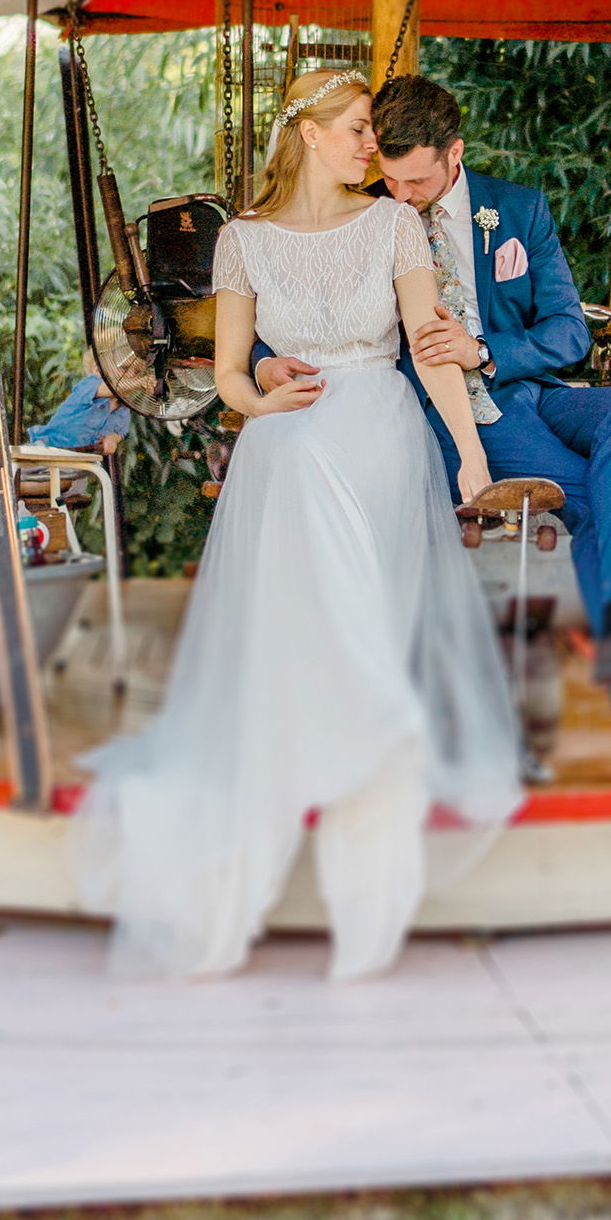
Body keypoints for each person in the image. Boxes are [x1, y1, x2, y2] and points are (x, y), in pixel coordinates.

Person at [74, 69, 521, 981]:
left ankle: (368, 889)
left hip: (383, 442)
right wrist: (261, 395)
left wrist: (472, 460)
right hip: (288, 450)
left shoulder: (396, 225)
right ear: (310, 135)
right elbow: (232, 375)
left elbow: (430, 345)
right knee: (297, 647)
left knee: (372, 637)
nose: (373, 144)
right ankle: (287, 836)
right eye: (358, 128)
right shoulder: (241, 242)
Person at [258, 74, 611, 789]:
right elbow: (298, 304)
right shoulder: (369, 218)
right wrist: (263, 363)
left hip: (527, 387)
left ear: (455, 154)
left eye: (417, 180)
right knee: (601, 506)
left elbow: (568, 332)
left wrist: (490, 353)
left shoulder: (518, 210)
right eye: (390, 177)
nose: (403, 195)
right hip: (455, 416)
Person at [28, 348, 131, 456]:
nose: (131, 375)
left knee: (94, 471)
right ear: (98, 371)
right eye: (124, 369)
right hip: (49, 447)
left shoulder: (123, 407)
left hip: (81, 455)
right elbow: (112, 389)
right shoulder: (90, 385)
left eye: (138, 371)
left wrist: (112, 438)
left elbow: (121, 430)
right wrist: (140, 382)